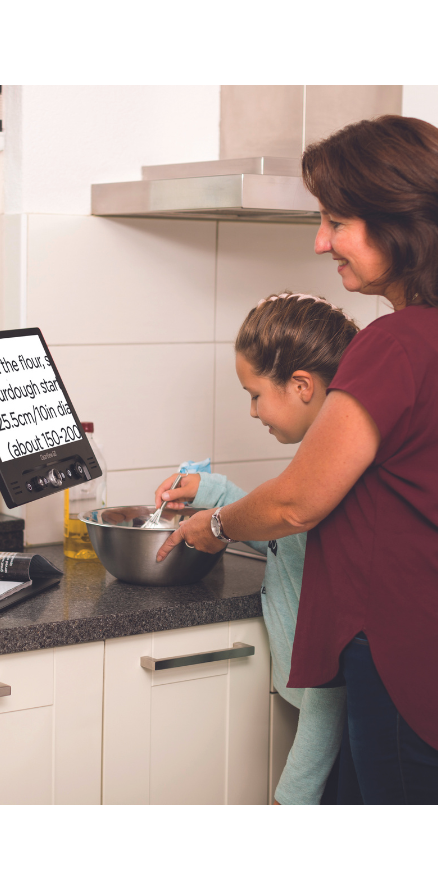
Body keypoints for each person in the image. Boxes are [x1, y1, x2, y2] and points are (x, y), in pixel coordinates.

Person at [158, 114, 438, 805]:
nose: (321, 242)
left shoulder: (396, 344)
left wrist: (215, 524)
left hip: (412, 658)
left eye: (337, 222)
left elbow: (297, 502)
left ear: (401, 223)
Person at [154, 292, 358, 804]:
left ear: (302, 386)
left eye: (254, 395)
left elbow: (332, 690)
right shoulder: (327, 462)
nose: (251, 411)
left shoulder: (337, 483)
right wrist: (214, 492)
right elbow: (288, 533)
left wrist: (292, 795)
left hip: (335, 734)